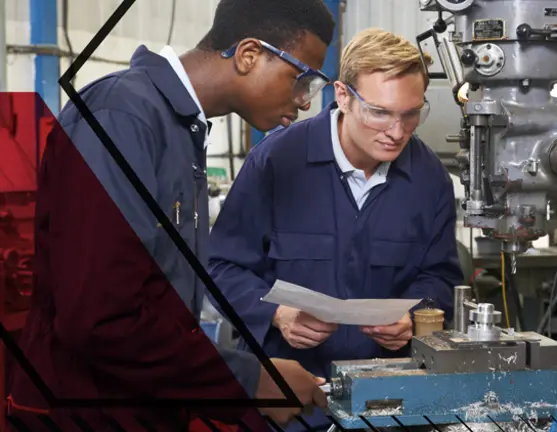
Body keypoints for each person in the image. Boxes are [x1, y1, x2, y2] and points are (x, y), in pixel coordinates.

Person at [7, 0, 335, 430]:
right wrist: (250, 380)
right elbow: (99, 318)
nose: (305, 102)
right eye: (301, 79)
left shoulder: (181, 129)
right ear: (249, 54)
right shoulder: (122, 116)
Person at [208, 28, 464, 430]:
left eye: (410, 113)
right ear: (343, 96)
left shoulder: (430, 180)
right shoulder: (276, 162)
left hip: (389, 406)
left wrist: (415, 317)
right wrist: (276, 314)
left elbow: (441, 277)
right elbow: (221, 267)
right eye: (379, 112)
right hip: (289, 406)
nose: (397, 132)